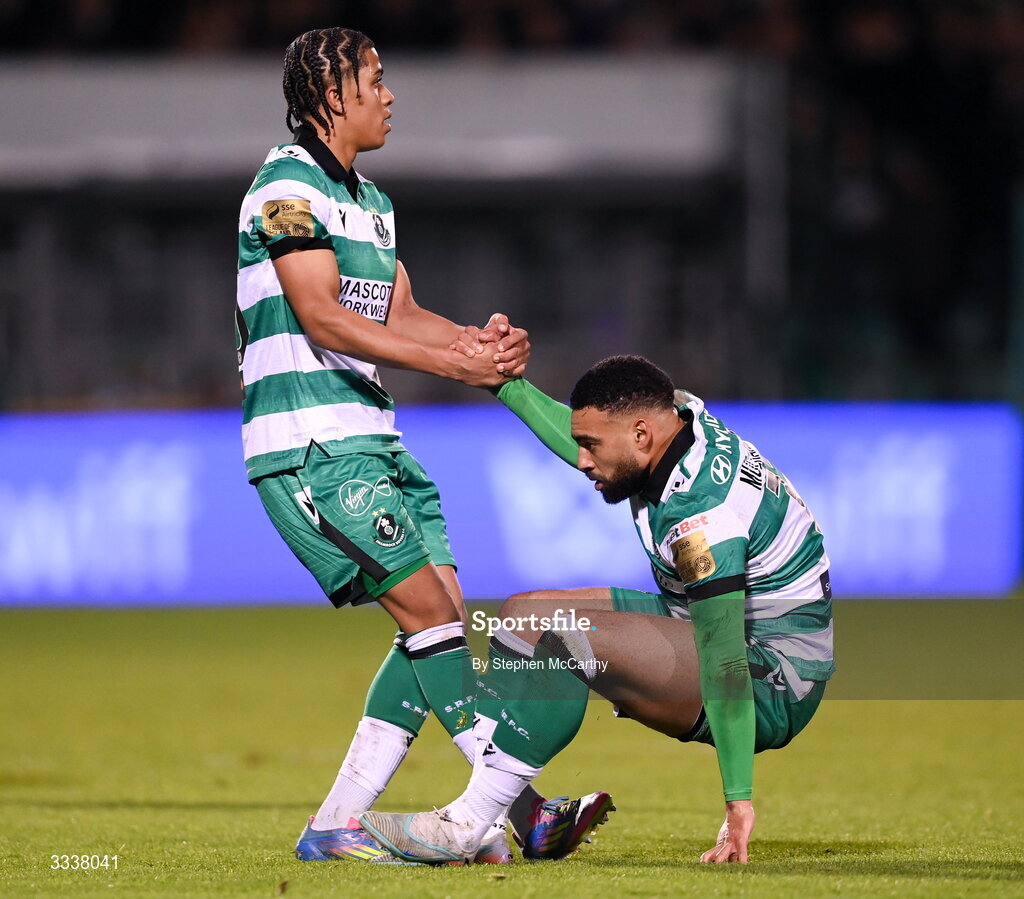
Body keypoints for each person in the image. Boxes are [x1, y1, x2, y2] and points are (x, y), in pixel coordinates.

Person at [235, 27, 608, 865]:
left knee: (435, 604)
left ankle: (335, 825)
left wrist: (478, 347)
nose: (390, 93)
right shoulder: (283, 189)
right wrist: (449, 361)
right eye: (375, 78)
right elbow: (322, 315)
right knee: (433, 613)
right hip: (311, 444)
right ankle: (516, 808)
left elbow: (399, 316)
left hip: (374, 439)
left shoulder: (373, 203)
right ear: (334, 94)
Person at [360, 354, 834, 865]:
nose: (583, 460)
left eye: (591, 446)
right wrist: (506, 386)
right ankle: (523, 816)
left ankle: (468, 824)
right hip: (698, 616)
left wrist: (737, 803)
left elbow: (724, 662)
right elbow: (595, 435)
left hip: (772, 680)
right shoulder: (673, 416)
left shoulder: (702, 517)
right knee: (522, 618)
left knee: (566, 637)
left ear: (641, 435)